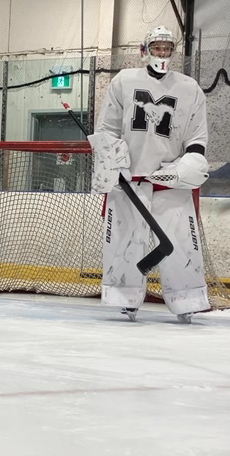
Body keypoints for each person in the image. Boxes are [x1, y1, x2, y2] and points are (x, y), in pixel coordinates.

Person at [88, 25, 210, 323]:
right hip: (129, 182)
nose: (162, 53)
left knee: (181, 243)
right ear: (145, 50)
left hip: (171, 183)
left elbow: (197, 137)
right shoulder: (124, 82)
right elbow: (108, 129)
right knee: (124, 242)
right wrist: (112, 164)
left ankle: (187, 299)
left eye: (167, 48)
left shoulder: (189, 87)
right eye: (156, 48)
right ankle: (125, 296)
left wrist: (190, 164)